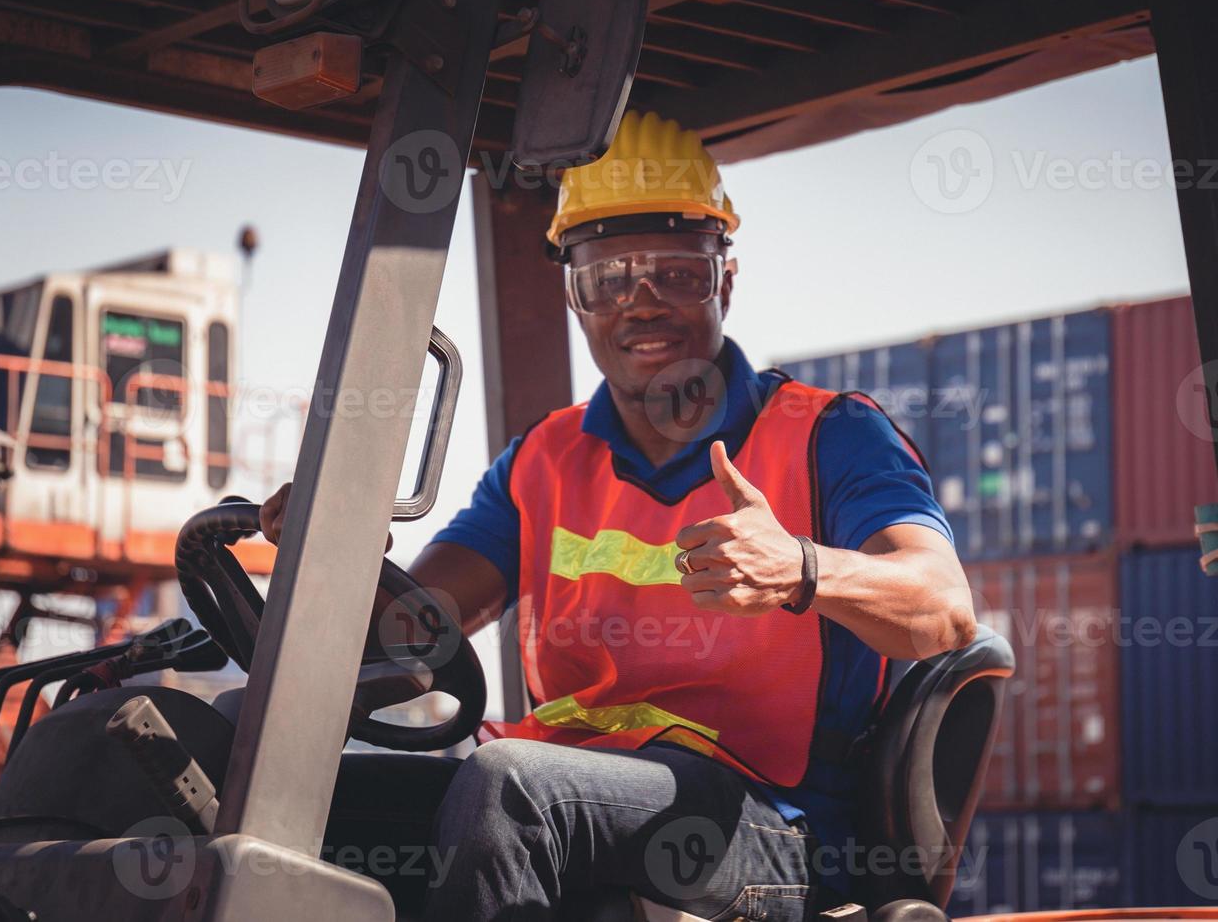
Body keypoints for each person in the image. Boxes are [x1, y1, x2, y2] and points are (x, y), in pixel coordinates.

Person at [263, 110, 976, 921]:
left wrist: (803, 567)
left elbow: (943, 611)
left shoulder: (831, 435)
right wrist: (336, 550)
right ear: (575, 297)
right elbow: (411, 631)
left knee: (512, 789)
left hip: (768, 828)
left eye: (676, 273)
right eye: (605, 278)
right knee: (254, 772)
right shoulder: (543, 459)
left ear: (725, 281)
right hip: (566, 793)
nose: (639, 304)